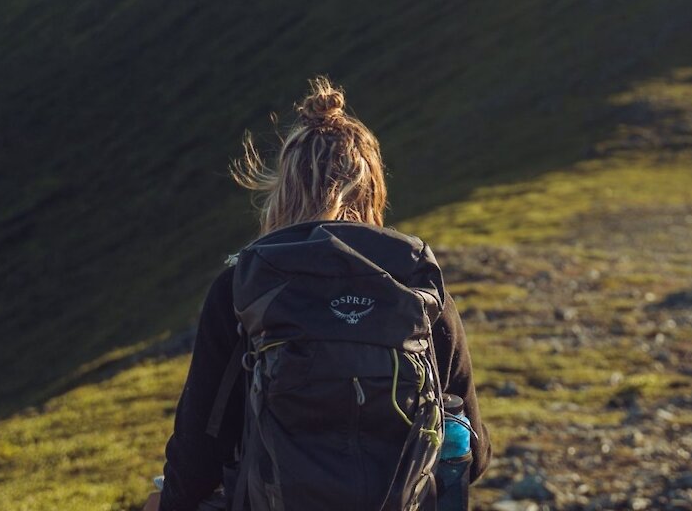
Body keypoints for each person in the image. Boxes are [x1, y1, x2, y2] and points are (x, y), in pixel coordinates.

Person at [151, 75, 491, 511]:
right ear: (373, 189)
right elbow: (473, 453)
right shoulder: (413, 278)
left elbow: (199, 449)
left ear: (283, 190)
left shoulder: (249, 281)